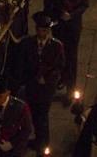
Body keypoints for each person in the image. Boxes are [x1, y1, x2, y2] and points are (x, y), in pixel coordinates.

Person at [43, 0, 89, 93]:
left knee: (72, 56)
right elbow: (47, 3)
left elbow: (84, 5)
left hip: (73, 27)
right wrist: (52, 19)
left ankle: (71, 88)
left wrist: (72, 15)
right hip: (59, 26)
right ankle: (61, 79)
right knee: (58, 54)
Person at [21, 12, 64, 154]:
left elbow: (59, 66)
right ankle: (38, 140)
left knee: (43, 115)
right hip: (32, 86)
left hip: (46, 88)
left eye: (45, 30)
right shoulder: (28, 43)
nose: (42, 33)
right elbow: (24, 64)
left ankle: (44, 144)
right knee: (33, 113)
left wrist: (48, 78)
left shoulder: (56, 46)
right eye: (40, 30)